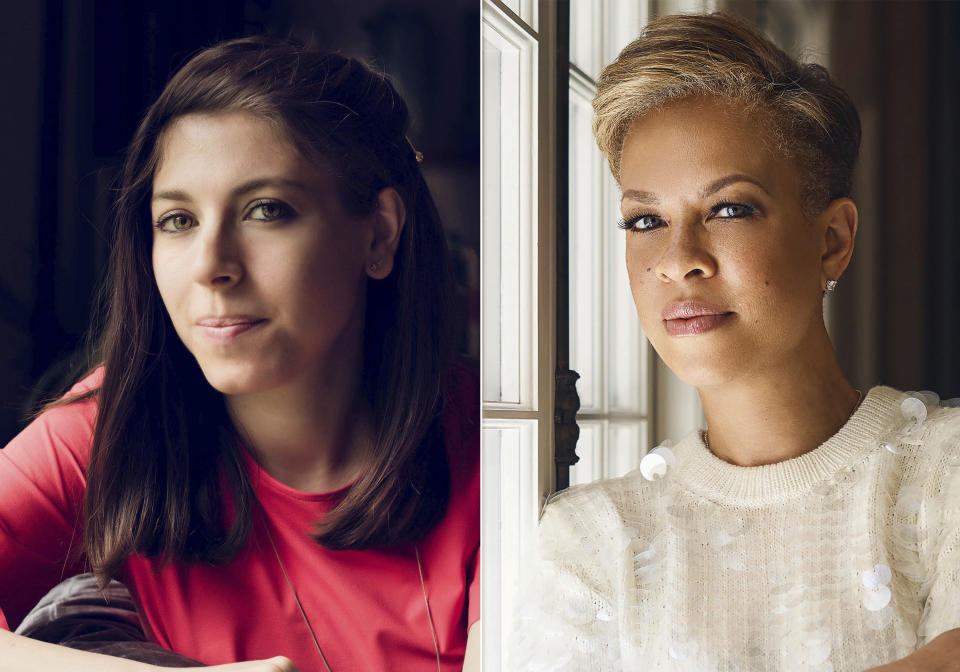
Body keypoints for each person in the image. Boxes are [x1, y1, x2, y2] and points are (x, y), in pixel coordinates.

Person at [0, 35, 480, 672]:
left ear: (379, 233)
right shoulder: (108, 429)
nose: (211, 266)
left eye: (265, 210)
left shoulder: (493, 446)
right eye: (177, 220)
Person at [516, 13, 960, 672]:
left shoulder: (943, 476)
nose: (677, 259)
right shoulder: (589, 542)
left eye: (730, 209)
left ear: (831, 240)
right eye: (646, 220)